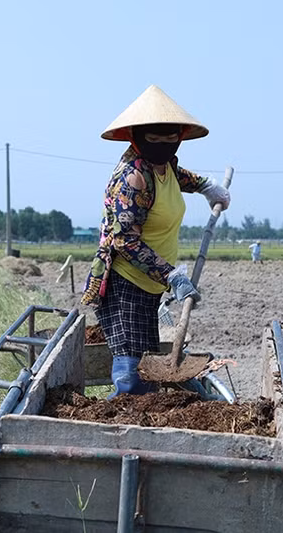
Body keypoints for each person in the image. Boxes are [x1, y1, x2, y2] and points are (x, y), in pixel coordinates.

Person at [81, 85, 230, 398]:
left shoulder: (165, 168)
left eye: (169, 138)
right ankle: (119, 427)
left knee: (147, 365)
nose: (163, 145)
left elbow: (183, 177)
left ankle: (144, 414)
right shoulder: (132, 178)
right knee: (133, 373)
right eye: (154, 138)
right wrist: (172, 275)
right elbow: (124, 240)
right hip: (125, 283)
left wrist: (208, 186)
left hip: (150, 286)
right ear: (136, 137)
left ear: (178, 137)